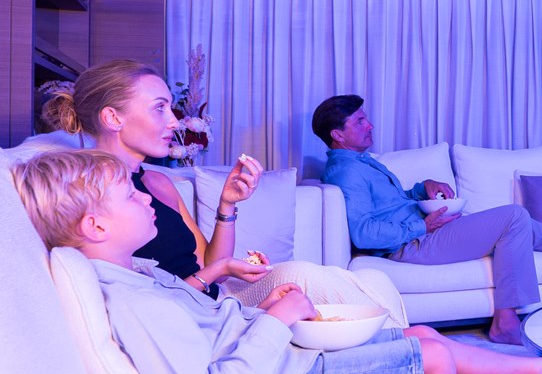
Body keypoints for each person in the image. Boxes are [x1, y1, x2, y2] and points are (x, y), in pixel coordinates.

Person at [9, 149, 542, 374]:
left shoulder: (135, 274)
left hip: (269, 348)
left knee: (418, 330)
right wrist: (276, 318)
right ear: (97, 227)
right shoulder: (132, 301)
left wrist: (265, 309)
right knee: (433, 353)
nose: (147, 200)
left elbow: (201, 316)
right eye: (132, 196)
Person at [41, 60, 400, 319]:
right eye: (159, 109)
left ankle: (405, 349)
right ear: (113, 118)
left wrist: (227, 205)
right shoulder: (89, 193)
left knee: (373, 278)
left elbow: (211, 266)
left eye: (171, 108)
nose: (174, 122)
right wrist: (220, 277)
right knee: (306, 276)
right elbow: (139, 299)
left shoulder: (158, 183)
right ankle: (408, 350)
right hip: (190, 316)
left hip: (215, 299)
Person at [311, 94, 542, 345]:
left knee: (520, 225)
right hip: (412, 244)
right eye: (360, 121)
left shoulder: (361, 162)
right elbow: (364, 232)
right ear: (338, 135)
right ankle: (505, 319)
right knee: (513, 217)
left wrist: (421, 188)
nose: (370, 125)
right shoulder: (345, 172)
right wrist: (423, 225)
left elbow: (389, 205)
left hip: (420, 234)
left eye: (366, 118)